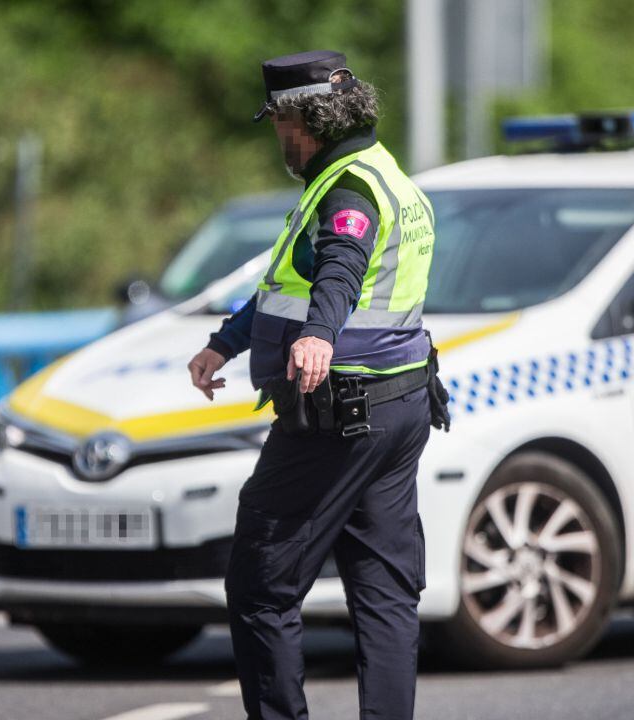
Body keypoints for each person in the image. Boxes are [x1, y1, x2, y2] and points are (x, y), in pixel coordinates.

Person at [186, 49, 449, 720]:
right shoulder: (385, 173)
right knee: (384, 594)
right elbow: (290, 289)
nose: (278, 138)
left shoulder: (348, 191)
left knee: (260, 586)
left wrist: (319, 337)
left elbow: (340, 270)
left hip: (338, 417)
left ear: (307, 118)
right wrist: (225, 342)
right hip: (399, 407)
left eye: (279, 122)